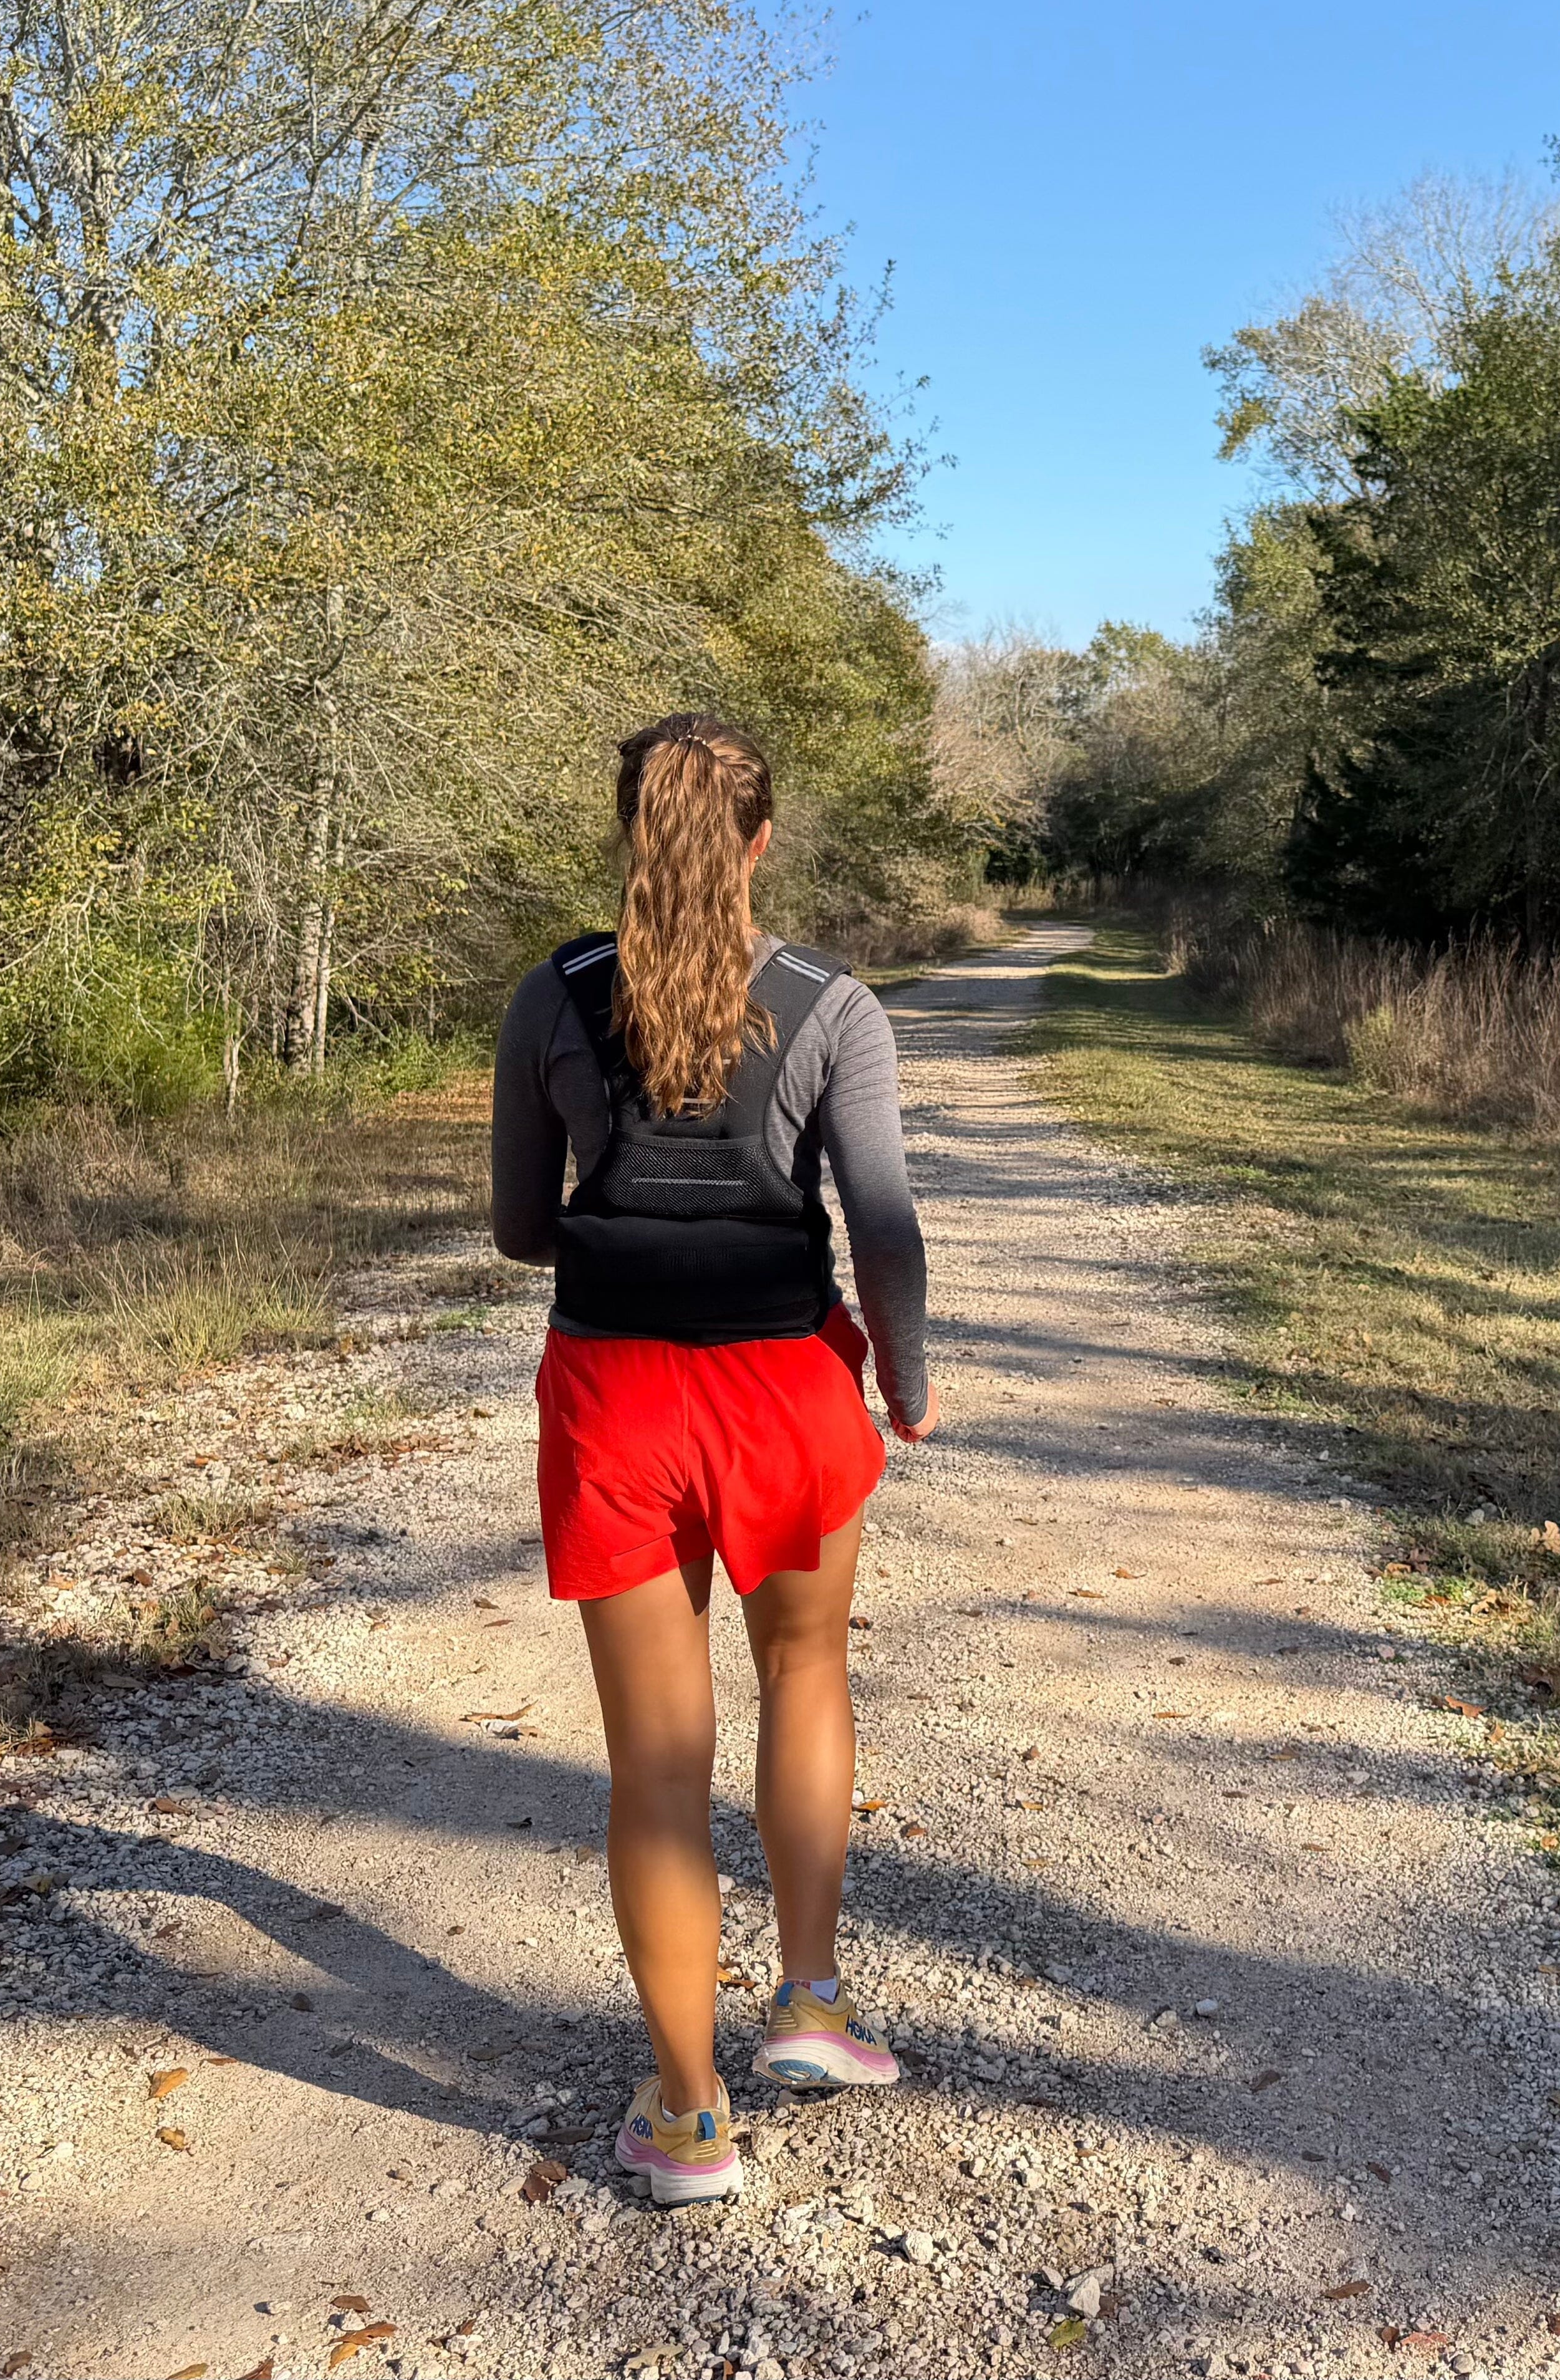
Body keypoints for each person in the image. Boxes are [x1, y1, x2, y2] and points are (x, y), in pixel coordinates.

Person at [489, 713, 938, 2206]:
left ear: (630, 834)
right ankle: (808, 1999)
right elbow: (880, 1223)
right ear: (761, 840)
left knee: (657, 1768)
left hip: (614, 1394)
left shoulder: (551, 997)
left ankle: (688, 2121)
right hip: (786, 1393)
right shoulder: (829, 1003)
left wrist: (604, 1228)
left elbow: (518, 1224)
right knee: (807, 1675)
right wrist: (912, 1383)